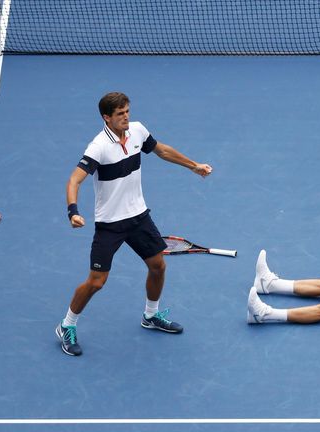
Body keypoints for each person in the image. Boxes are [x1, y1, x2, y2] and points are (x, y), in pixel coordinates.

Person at [56, 92, 213, 356]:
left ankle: (150, 315)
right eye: (120, 114)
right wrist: (73, 212)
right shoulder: (98, 147)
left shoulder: (138, 131)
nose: (126, 117)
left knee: (158, 266)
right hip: (110, 224)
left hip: (139, 217)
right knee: (96, 282)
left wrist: (193, 165)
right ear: (107, 118)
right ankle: (66, 325)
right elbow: (74, 180)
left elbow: (161, 150)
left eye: (127, 111)